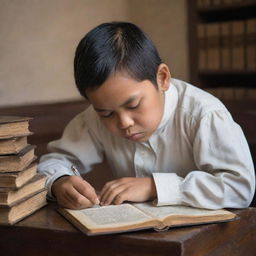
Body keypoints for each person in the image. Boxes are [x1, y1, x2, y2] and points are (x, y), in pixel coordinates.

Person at [38, 21, 255, 210]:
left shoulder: (204, 115)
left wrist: (154, 186)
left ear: (162, 78)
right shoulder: (93, 120)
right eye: (106, 114)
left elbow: (239, 188)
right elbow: (55, 161)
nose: (124, 123)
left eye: (133, 105)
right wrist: (60, 181)